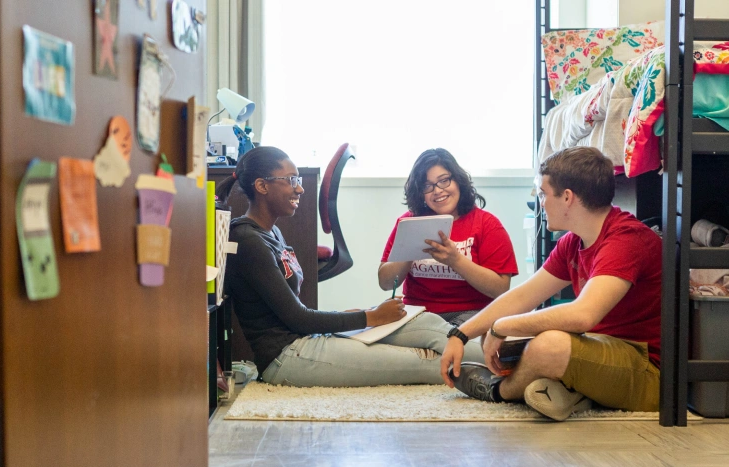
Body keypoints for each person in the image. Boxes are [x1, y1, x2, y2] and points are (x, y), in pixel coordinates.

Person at [217, 146, 485, 387]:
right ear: (262, 186)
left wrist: (362, 316)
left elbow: (296, 313)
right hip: (287, 356)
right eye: (292, 181)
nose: (300, 188)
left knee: (425, 324)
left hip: (306, 339)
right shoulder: (247, 240)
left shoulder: (271, 232)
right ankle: (507, 369)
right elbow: (298, 319)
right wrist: (371, 317)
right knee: (424, 360)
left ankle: (507, 355)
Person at [440, 146, 662, 421]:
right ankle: (568, 393)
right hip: (602, 347)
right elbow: (524, 296)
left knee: (547, 346)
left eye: (544, 194)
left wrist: (503, 326)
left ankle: (499, 390)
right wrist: (461, 334)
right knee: (499, 331)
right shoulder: (574, 240)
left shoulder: (625, 240)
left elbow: (583, 315)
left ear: (567, 197)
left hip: (646, 369)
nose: (540, 203)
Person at [378, 148, 518, 326]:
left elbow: (500, 289)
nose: (437, 191)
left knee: (455, 337)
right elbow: (385, 283)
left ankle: (444, 345)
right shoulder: (408, 222)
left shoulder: (486, 224)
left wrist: (456, 260)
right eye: (427, 186)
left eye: (444, 181)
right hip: (419, 314)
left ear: (458, 181)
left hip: (473, 313)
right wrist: (410, 247)